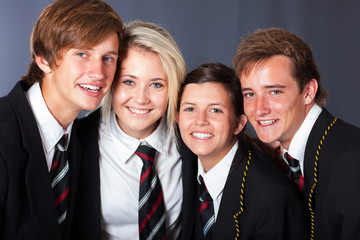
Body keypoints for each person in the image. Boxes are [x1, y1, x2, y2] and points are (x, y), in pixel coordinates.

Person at [0, 0, 123, 239]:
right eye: (81, 54)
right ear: (43, 59)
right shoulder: (3, 134)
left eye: (108, 58)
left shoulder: (79, 139)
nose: (98, 73)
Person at [233, 27, 360, 239]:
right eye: (249, 94)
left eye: (274, 92)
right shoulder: (283, 157)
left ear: (308, 92)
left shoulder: (351, 162)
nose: (259, 109)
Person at [76, 20, 186, 240]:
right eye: (128, 82)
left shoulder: (191, 141)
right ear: (111, 81)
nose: (141, 98)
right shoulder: (78, 142)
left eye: (156, 84)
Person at [177, 62, 307, 240]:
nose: (200, 121)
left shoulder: (271, 199)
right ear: (177, 118)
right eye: (190, 109)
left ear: (239, 124)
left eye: (216, 110)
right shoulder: (183, 164)